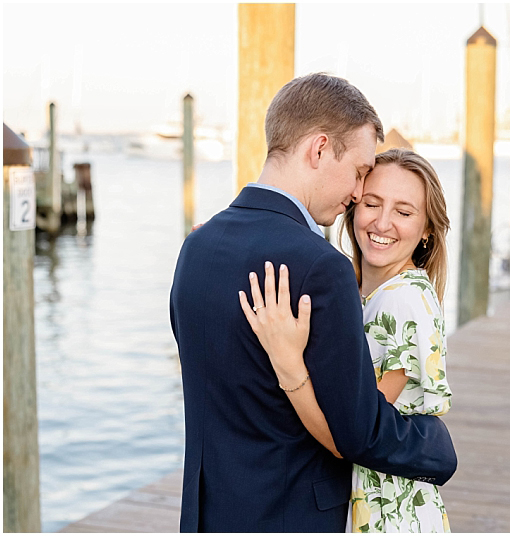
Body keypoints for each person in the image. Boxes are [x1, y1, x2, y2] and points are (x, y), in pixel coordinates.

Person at [169, 74, 457, 532]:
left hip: (209, 516)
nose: (359, 192)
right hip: (291, 518)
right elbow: (357, 431)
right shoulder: (321, 267)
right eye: (361, 171)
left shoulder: (197, 248)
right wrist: (435, 448)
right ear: (319, 150)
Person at [240, 148, 453, 532]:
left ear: (427, 231)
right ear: (354, 206)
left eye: (404, 212)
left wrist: (287, 364)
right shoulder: (360, 291)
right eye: (372, 203)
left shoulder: (402, 300)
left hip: (389, 515)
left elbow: (352, 436)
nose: (382, 223)